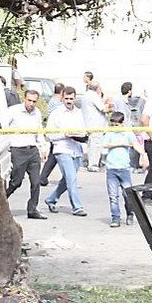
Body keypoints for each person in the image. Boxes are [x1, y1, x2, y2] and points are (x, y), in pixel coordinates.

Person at [44, 86, 88, 216]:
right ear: (62, 98)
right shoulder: (56, 113)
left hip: (76, 149)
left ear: (75, 99)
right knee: (71, 178)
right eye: (66, 98)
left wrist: (78, 135)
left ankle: (51, 199)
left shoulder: (79, 112)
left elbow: (83, 130)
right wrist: (65, 134)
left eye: (71, 99)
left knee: (68, 179)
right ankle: (77, 207)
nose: (69, 101)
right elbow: (49, 134)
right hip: (62, 149)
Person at [5, 89, 48, 219]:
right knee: (16, 181)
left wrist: (43, 147)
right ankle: (1, 200)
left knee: (36, 182)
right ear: (25, 99)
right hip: (18, 150)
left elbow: (39, 131)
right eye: (29, 100)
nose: (31, 104)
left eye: (34, 101)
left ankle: (32, 209)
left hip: (33, 150)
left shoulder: (37, 113)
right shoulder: (14, 111)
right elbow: (3, 127)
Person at [101, 111, 146, 227]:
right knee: (113, 196)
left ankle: (130, 213)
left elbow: (135, 144)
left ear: (122, 123)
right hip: (111, 169)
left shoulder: (127, 133)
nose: (115, 127)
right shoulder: (110, 134)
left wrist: (143, 154)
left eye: (117, 125)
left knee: (128, 195)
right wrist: (119, 144)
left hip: (124, 169)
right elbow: (105, 144)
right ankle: (115, 218)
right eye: (113, 125)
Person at [38, 82, 66, 187]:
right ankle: (67, 177)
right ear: (62, 93)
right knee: (56, 157)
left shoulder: (54, 101)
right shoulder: (56, 104)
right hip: (56, 134)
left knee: (53, 158)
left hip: (56, 134)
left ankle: (43, 177)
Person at [81, 80, 107, 171]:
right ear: (98, 88)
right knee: (95, 146)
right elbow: (104, 109)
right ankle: (93, 165)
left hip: (90, 124)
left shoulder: (86, 95)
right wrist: (110, 105)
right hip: (96, 125)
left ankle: (91, 163)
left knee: (92, 145)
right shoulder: (93, 96)